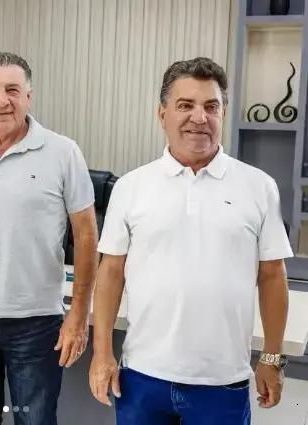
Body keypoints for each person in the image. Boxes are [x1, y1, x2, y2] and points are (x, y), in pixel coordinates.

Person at [89, 57, 293, 425]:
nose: (199, 117)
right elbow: (111, 273)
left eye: (211, 106)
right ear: (162, 114)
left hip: (223, 381)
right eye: (185, 105)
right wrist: (102, 353)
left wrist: (271, 357)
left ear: (223, 113)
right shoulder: (131, 187)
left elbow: (272, 276)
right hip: (142, 376)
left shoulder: (259, 187)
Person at [0, 52, 98, 425]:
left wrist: (78, 314)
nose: (2, 100)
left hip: (36, 323)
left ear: (29, 95)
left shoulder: (62, 152)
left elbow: (87, 234)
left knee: (35, 420)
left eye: (12, 89)